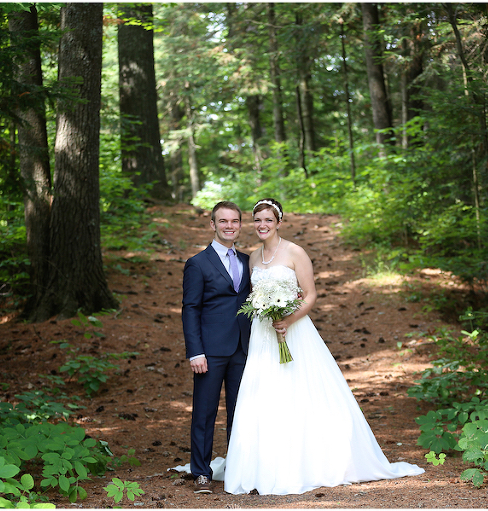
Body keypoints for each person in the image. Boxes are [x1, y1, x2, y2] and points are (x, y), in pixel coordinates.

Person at [223, 198, 425, 495]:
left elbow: (310, 295)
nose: (262, 225)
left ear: (279, 222)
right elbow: (254, 298)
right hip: (264, 334)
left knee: (300, 390)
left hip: (295, 331)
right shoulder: (253, 258)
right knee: (264, 393)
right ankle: (263, 464)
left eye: (268, 220)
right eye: (257, 221)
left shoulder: (295, 252)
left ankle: (309, 461)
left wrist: (288, 319)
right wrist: (267, 313)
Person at [182, 201, 251, 494]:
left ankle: (238, 468)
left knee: (241, 412)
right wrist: (195, 351)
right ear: (212, 225)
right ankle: (201, 472)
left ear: (239, 225)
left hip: (243, 349)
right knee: (205, 413)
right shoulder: (198, 263)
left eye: (234, 221)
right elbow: (190, 309)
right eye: (223, 221)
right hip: (209, 352)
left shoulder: (249, 261)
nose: (229, 226)